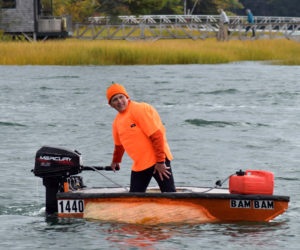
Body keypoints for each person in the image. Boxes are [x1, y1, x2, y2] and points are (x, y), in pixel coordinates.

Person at [106, 83, 176, 193]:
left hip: (158, 161)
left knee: (170, 195)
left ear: (127, 97)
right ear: (111, 105)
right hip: (140, 164)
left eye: (121, 97)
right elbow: (119, 145)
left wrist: (161, 162)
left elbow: (157, 135)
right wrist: (116, 161)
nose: (119, 101)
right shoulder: (116, 122)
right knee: (134, 198)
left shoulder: (138, 109)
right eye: (115, 99)